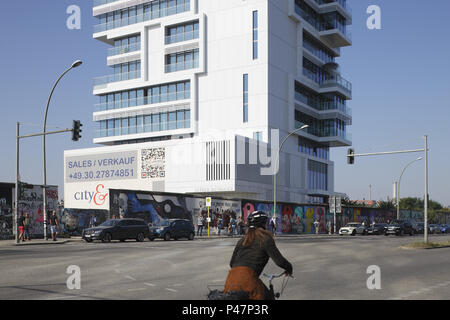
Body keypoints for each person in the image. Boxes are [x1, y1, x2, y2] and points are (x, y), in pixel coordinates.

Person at [223, 211, 293, 300]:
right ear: (263, 224)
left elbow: (232, 263)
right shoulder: (265, 239)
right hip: (249, 282)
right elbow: (280, 261)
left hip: (231, 281)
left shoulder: (242, 240)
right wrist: (289, 268)